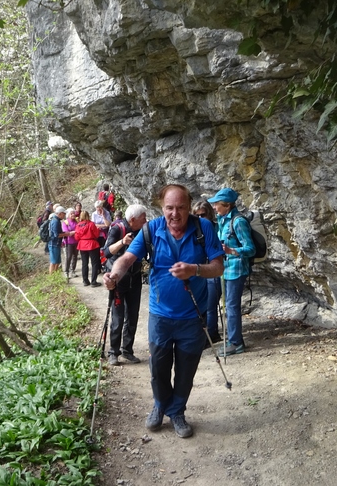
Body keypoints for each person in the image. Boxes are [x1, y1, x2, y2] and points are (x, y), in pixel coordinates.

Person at [104, 184, 224, 438]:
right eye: (169, 208)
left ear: (189, 207)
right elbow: (127, 258)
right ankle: (160, 406)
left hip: (193, 316)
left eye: (181, 207)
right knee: (158, 367)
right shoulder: (151, 230)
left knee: (186, 369)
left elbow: (218, 266)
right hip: (161, 316)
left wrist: (194, 269)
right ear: (161, 207)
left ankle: (177, 411)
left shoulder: (203, 228)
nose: (175, 213)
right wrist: (113, 276)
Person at [207, 188, 255, 357]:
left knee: (232, 306)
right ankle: (233, 340)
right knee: (227, 305)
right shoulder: (222, 220)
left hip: (236, 269)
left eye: (216, 204)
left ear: (227, 205)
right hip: (225, 269)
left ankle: (236, 343)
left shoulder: (238, 221)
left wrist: (231, 250)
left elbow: (250, 249)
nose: (214, 207)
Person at [103, 204, 148, 366]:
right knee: (118, 317)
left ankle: (127, 350)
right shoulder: (117, 228)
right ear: (133, 219)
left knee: (133, 315)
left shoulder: (143, 231)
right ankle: (113, 352)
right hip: (118, 279)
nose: (146, 220)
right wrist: (123, 242)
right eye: (143, 218)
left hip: (134, 278)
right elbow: (106, 252)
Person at [193, 200, 223, 345]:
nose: (200, 218)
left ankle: (211, 335)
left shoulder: (216, 227)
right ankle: (207, 334)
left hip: (213, 270)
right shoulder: (194, 229)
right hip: (200, 270)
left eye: (203, 215)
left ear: (209, 214)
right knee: (201, 305)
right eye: (197, 215)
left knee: (210, 305)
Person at [75, 210, 102, 287]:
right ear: (88, 215)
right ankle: (93, 281)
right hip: (92, 244)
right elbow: (96, 235)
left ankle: (85, 281)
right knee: (94, 263)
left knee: (84, 263)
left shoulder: (78, 225)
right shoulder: (91, 224)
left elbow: (76, 237)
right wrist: (98, 230)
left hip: (82, 244)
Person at [48, 206, 68, 274]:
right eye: (64, 214)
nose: (64, 215)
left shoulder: (57, 220)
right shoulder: (55, 221)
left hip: (56, 244)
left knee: (57, 261)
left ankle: (55, 275)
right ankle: (52, 277)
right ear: (60, 213)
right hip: (54, 244)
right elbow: (57, 235)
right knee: (53, 262)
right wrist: (67, 234)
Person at [62, 208, 78, 279]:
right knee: (69, 257)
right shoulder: (65, 222)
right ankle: (66, 271)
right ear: (68, 215)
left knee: (75, 256)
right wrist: (75, 232)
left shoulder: (77, 221)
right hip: (69, 242)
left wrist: (73, 232)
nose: (73, 215)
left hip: (76, 241)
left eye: (73, 213)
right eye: (71, 214)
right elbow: (67, 233)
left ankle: (72, 270)